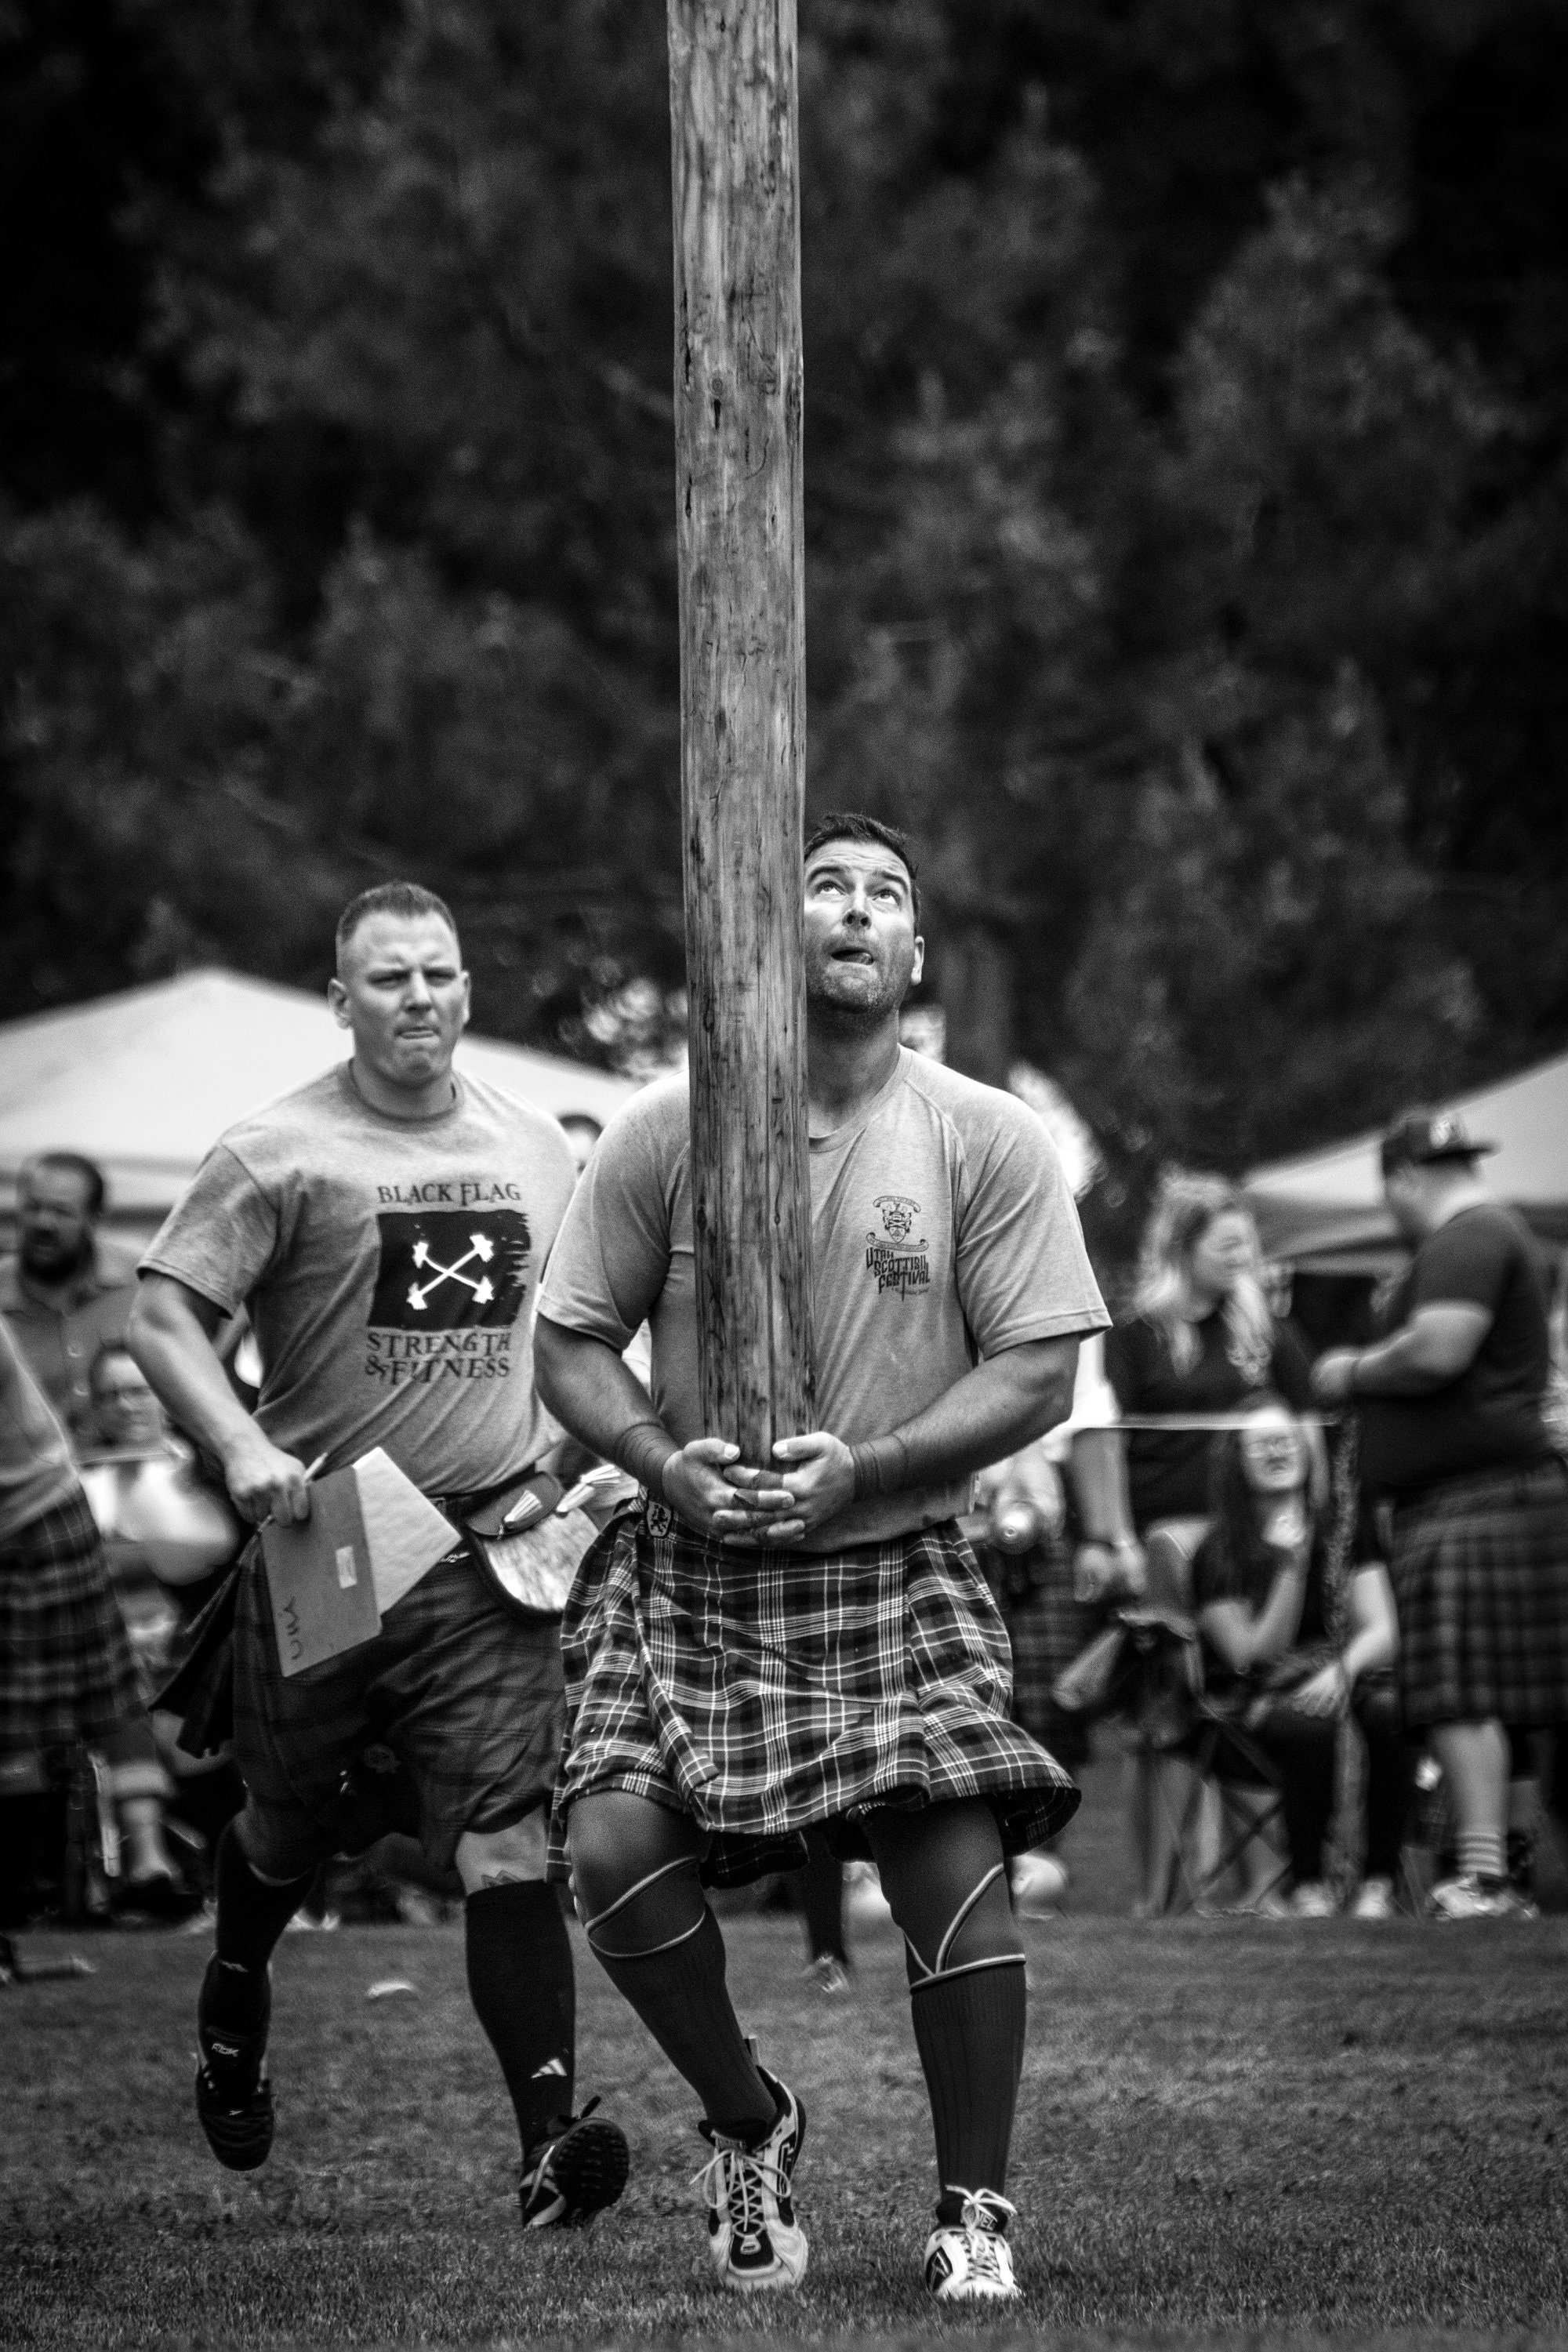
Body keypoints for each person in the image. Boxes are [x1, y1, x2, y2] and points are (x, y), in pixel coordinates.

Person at [533, 811, 1109, 2303]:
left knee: (953, 1873)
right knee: (609, 1851)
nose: (854, 914)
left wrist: (876, 1463)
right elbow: (570, 1340)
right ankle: (751, 2122)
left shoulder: (983, 1133)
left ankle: (973, 2208)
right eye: (823, 890)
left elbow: (1040, 1369)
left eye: (886, 897)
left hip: (890, 1557)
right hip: (696, 1564)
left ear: (915, 953)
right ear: (763, 937)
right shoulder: (669, 1126)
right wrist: (665, 1464)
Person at [127, 880, 629, 2221]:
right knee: (286, 1830)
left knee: (509, 1844)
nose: (419, 999)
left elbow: (581, 1328)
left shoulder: (538, 1146)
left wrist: (586, 1466)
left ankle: (546, 2143)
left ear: (469, 990)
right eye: (390, 979)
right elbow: (164, 1319)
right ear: (339, 998)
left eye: (440, 976)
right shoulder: (276, 1150)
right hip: (330, 1543)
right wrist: (239, 1446)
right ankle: (235, 1996)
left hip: (486, 1549)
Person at [1312, 1106, 1568, 1920]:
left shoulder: (1464, 1238)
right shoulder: (1487, 1234)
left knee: (1463, 1694)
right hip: (1480, 1497)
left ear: (1401, 1179)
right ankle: (1495, 1873)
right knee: (1490, 1695)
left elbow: (1438, 1348)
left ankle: (1488, 1876)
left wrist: (1349, 1368)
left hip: (1475, 1499)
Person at [0, 1316, 191, 1926]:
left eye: (140, 1390)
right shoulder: (96, 1476)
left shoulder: (190, 1473)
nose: (128, 1405)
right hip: (41, 1521)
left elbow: (195, 1560)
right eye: (113, 1394)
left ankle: (144, 1862)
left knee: (34, 1720)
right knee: (24, 1724)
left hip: (33, 1516)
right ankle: (32, 1892)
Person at [1190, 1395, 1411, 1916]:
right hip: (1253, 1704)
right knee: (1308, 1722)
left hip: (1340, 1675)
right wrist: (1290, 1567)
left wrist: (1342, 1670)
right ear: (1235, 1460)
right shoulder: (1217, 1550)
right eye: (1260, 1444)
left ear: (1309, 1450)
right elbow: (1250, 1655)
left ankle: (1378, 1883)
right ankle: (1309, 1883)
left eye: (1286, 1439)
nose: (1276, 1452)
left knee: (1389, 1712)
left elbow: (1381, 1629)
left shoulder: (1341, 1531)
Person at [1104, 1174, 1318, 1582]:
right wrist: (1118, 1541)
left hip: (1260, 1535)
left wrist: (1313, 1511)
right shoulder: (1134, 1335)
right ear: (1181, 1250)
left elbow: (1307, 1423)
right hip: (1168, 1537)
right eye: (1227, 1246)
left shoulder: (1268, 1328)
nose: (1241, 1257)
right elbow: (1108, 1446)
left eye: (1246, 1244)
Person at [1, 1153, 139, 1443]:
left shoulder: (141, 1286)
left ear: (96, 1217)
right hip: (36, 1483)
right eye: (32, 1207)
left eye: (62, 1211)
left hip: (134, 1474)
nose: (43, 1223)